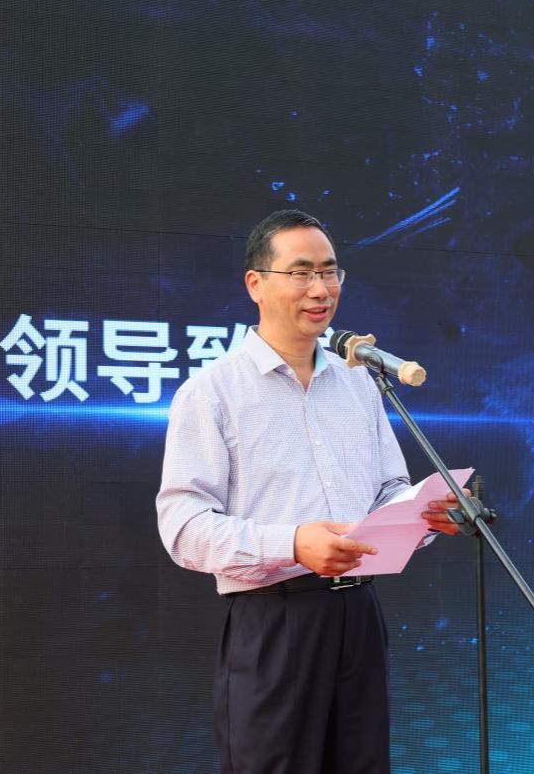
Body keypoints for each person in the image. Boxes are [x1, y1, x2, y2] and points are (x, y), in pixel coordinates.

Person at [156, 209, 462, 773]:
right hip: (274, 619)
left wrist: (421, 516)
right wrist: (293, 543)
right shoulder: (213, 392)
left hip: (359, 616)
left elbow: (389, 488)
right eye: (300, 273)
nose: (320, 289)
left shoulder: (359, 383)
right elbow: (184, 528)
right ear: (256, 283)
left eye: (329, 271)